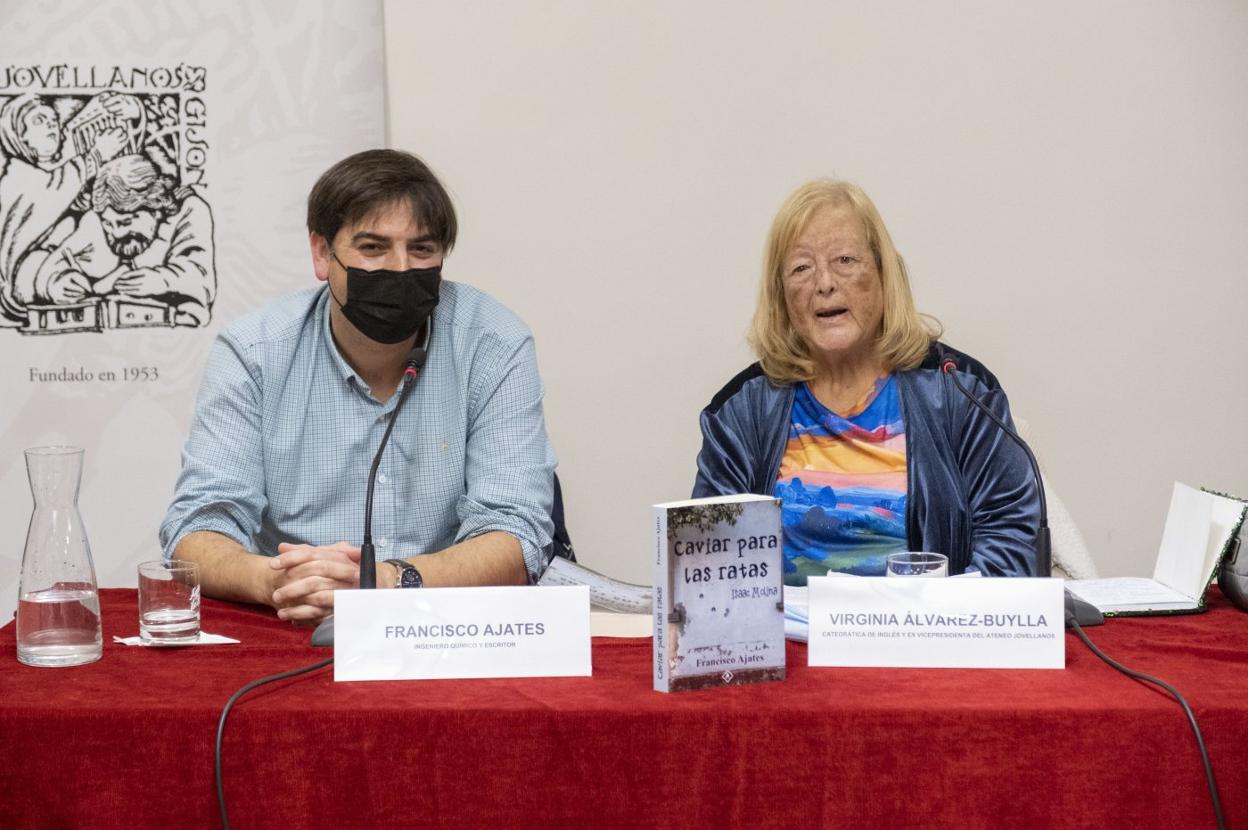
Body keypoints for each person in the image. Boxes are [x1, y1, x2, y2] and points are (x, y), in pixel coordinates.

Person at [160, 149, 557, 623]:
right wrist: (276, 580)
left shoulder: (492, 342)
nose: (400, 268)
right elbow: (198, 527)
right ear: (322, 253)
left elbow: (518, 533)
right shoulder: (254, 352)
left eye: (422, 249)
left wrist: (387, 581)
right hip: (293, 624)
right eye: (373, 248)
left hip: (446, 627)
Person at [693, 180, 1040, 582]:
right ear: (781, 295)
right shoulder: (743, 410)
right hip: (788, 640)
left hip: (923, 636)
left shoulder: (960, 391)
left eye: (844, 259)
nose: (824, 283)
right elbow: (711, 565)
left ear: (882, 273)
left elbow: (1015, 539)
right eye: (801, 268)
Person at [28, 153, 216, 326]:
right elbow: (50, 267)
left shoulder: (191, 210)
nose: (117, 233)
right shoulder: (96, 222)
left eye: (126, 222)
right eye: (109, 224)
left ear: (155, 206)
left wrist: (161, 281)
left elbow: (199, 275)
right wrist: (56, 282)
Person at [0, 92, 128, 325]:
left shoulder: (53, 176)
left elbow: (64, 201)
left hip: (58, 260)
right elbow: (54, 188)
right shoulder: (19, 178)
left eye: (53, 120)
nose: (51, 124)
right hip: (23, 277)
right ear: (20, 137)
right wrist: (97, 154)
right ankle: (53, 284)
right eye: (39, 121)